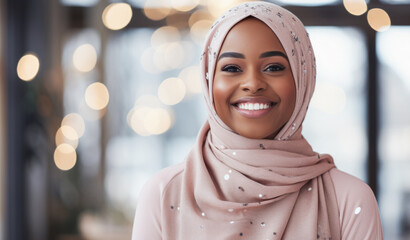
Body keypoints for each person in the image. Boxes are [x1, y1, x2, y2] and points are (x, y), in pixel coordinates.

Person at [132, 2, 383, 239]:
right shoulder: (164, 194)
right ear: (209, 80)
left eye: (273, 67)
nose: (252, 84)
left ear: (303, 79)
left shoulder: (347, 200)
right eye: (232, 68)